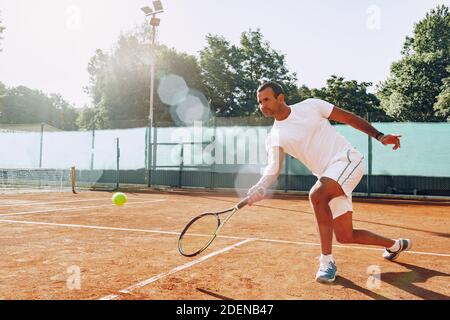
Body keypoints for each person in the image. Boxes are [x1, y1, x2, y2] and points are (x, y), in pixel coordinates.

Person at [247, 81, 411, 284]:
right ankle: (395, 245)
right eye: (260, 102)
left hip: (347, 159)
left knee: (317, 195)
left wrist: (379, 136)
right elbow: (273, 168)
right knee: (345, 235)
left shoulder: (311, 106)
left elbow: (348, 118)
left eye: (266, 99)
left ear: (281, 98)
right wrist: (260, 186)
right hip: (329, 176)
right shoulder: (273, 137)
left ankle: (327, 262)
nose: (263, 105)